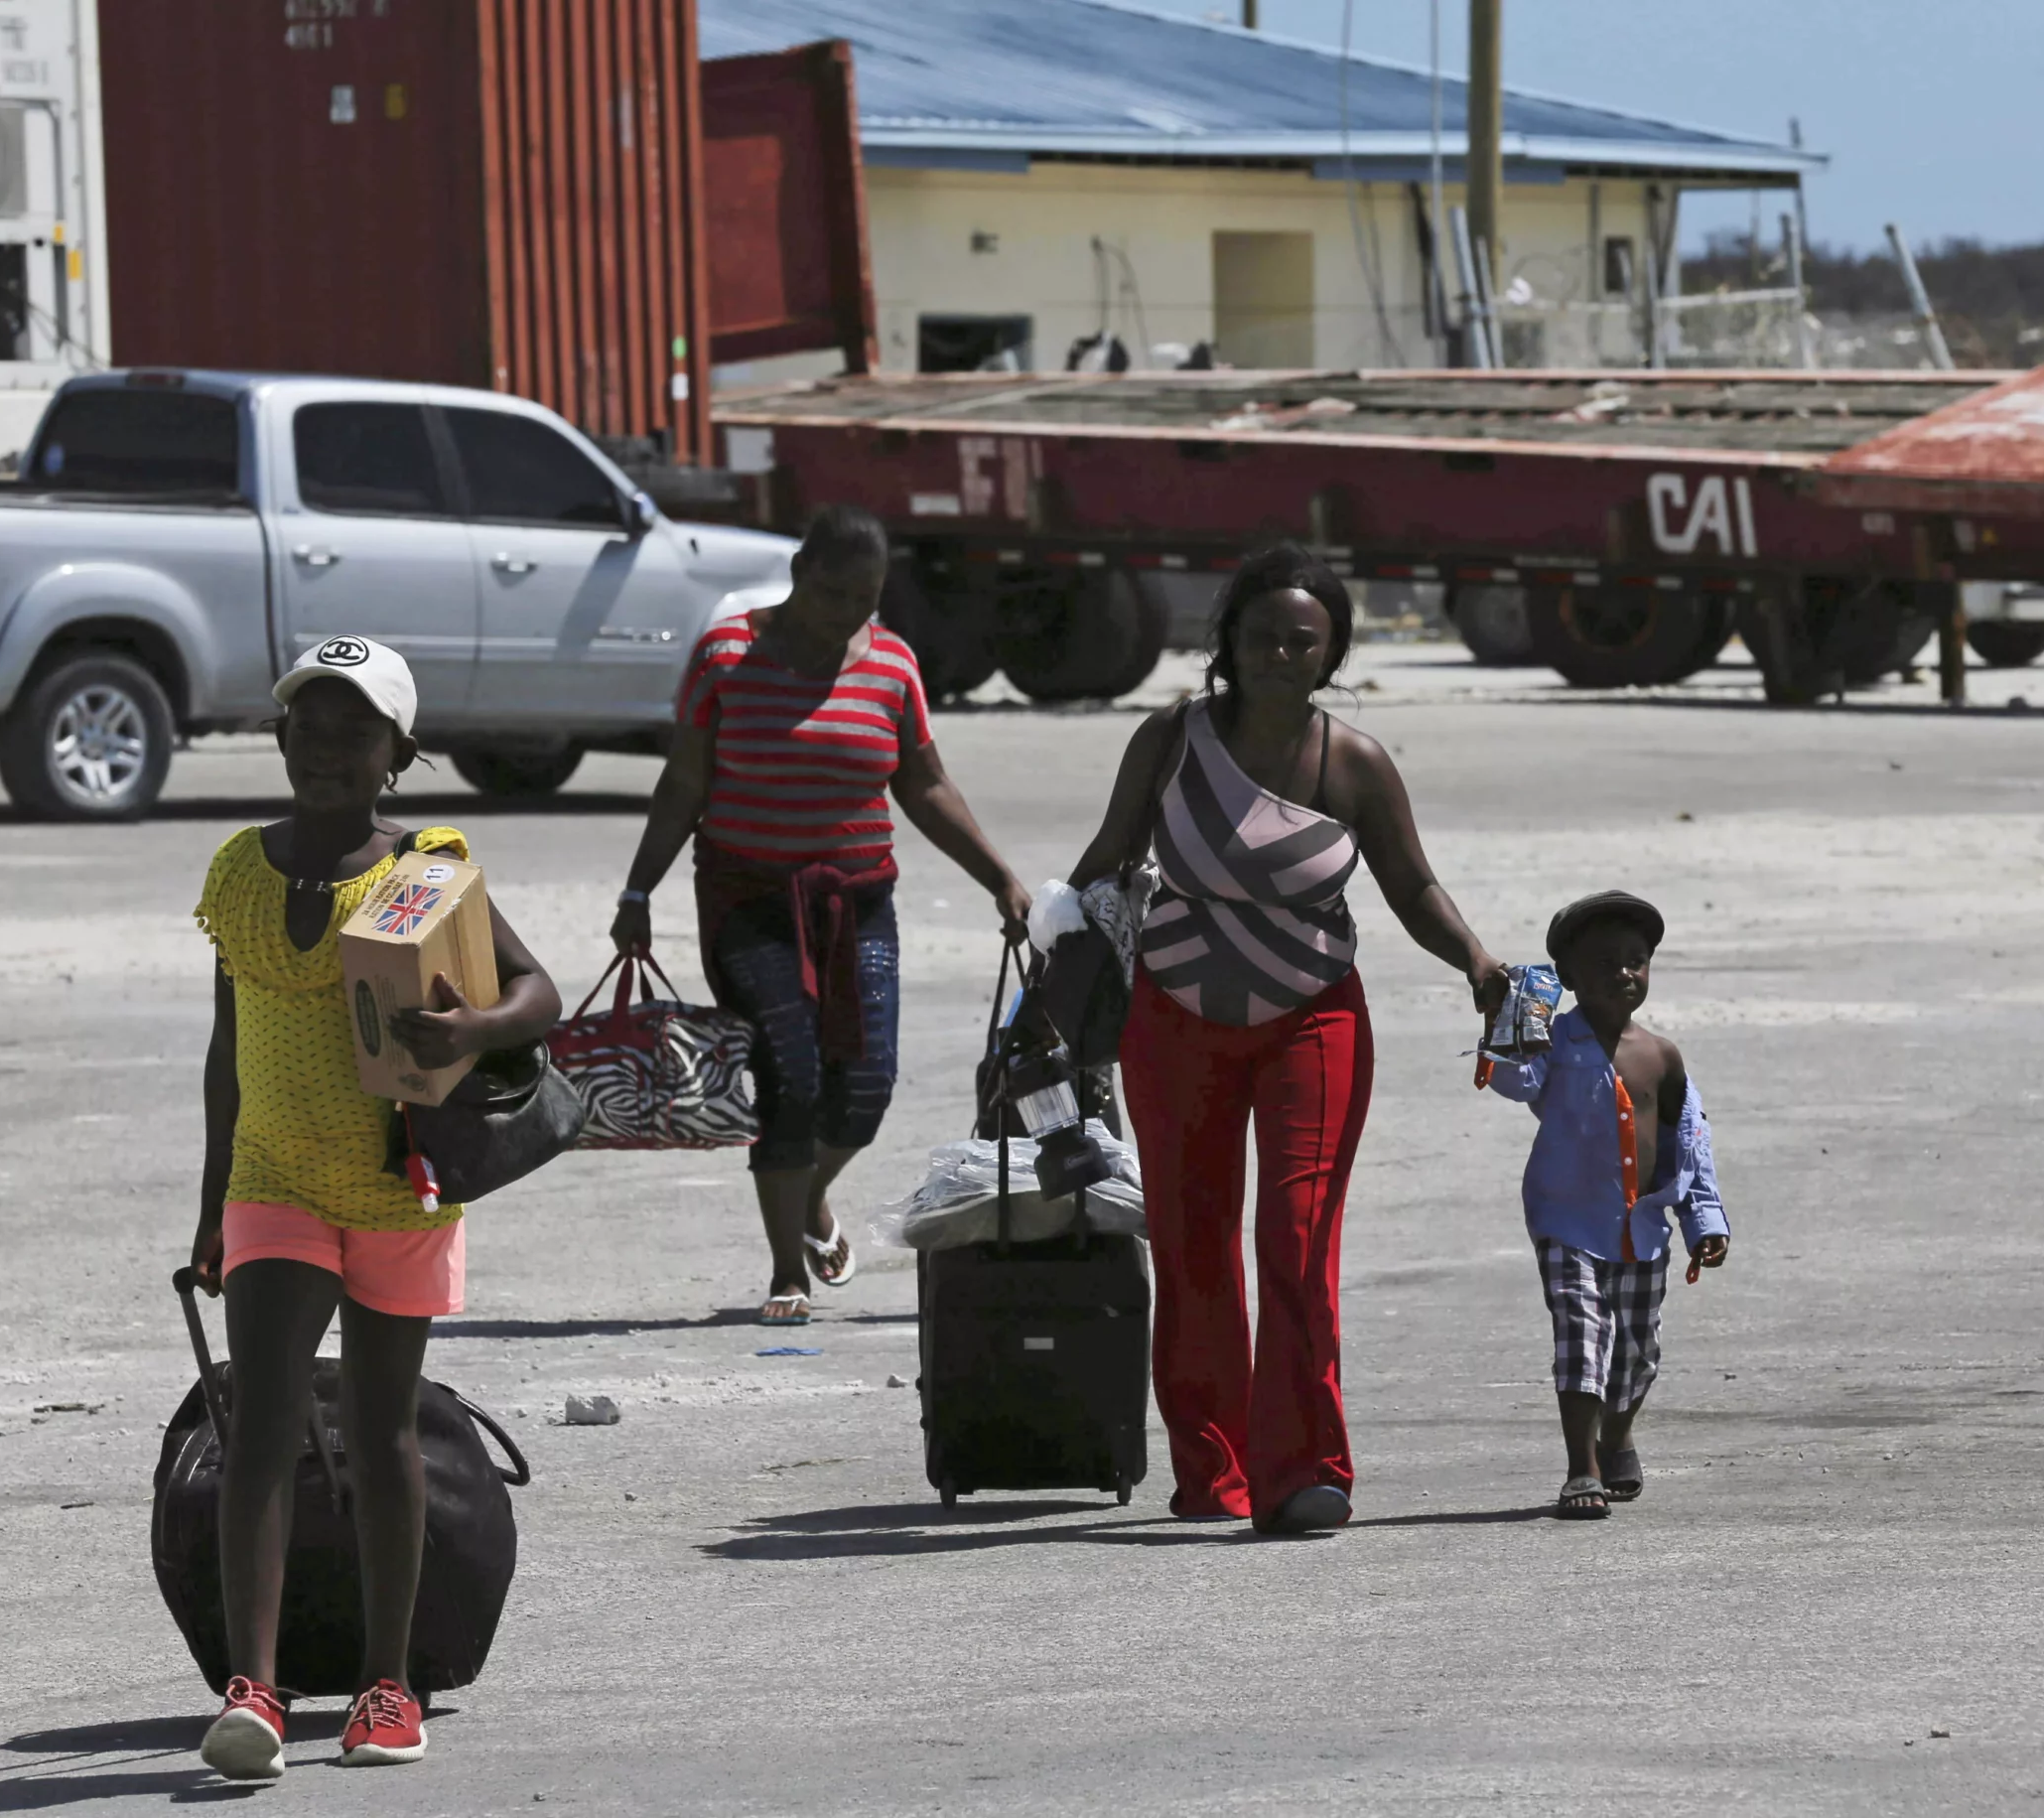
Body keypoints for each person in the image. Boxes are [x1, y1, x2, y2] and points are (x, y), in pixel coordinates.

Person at [1068, 542, 1507, 1534]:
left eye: (1302, 642)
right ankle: (1211, 1470)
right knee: (1191, 1245)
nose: (1279, 654)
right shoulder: (1169, 741)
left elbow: (1413, 886)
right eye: (1261, 636)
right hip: (1172, 1021)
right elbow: (1105, 861)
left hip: (1314, 1019)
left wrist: (1476, 961)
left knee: (1296, 1242)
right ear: (1225, 641)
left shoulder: (1351, 761)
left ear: (1331, 652)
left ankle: (1306, 1469)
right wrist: (1049, 977)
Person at [189, 635, 563, 1778]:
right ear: (280, 735)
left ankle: (385, 1684)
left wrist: (476, 1029)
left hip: (401, 1191)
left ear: (399, 754)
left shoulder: (429, 866)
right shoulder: (239, 872)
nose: (328, 746)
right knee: (259, 1423)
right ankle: (252, 1691)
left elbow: (537, 991)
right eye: (310, 723)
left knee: (386, 1432)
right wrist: (211, 1206)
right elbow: (225, 1048)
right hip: (274, 1181)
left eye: (358, 730)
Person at [613, 505, 1030, 1326]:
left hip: (858, 899)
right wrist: (637, 892)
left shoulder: (893, 665)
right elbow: (683, 787)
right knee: (790, 1073)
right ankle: (785, 1272)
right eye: (834, 592)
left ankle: (811, 1198)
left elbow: (924, 786)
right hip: (748, 898)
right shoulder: (726, 654)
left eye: (865, 598)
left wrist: (998, 876)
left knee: (866, 1085)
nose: (848, 613)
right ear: (800, 572)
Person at [1484, 891, 1730, 1521]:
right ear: (1567, 978)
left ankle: (1616, 1436)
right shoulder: (1553, 1040)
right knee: (1582, 1334)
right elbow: (1516, 1083)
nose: (1624, 972)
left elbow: (1688, 1142)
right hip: (1566, 1218)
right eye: (1604, 963)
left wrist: (1704, 1220)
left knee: (1638, 1349)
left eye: (1636, 961)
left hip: (1643, 1226)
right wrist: (1508, 1019)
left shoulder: (1661, 1054)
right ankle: (1580, 1469)